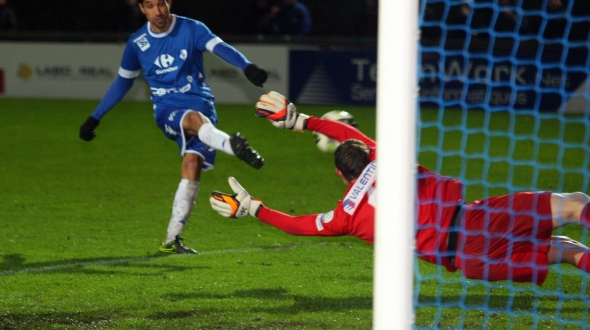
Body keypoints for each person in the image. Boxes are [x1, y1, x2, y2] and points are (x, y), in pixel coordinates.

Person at [210, 91, 590, 285]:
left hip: (470, 264)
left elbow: (298, 224)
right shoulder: (387, 160)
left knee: (569, 253)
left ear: (341, 178)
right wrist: (301, 121)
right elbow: (347, 133)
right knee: (576, 205)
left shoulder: (346, 216)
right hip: (480, 220)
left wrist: (253, 208)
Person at [79, 0, 268, 255]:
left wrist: (247, 66)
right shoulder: (137, 44)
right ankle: (234, 147)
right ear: (142, 9)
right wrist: (95, 117)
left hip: (203, 105)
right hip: (168, 109)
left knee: (192, 166)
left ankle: (171, 240)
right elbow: (123, 82)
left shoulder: (192, 28)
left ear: (169, 2)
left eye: (160, 4)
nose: (157, 11)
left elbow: (221, 47)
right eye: (149, 6)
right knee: (193, 121)